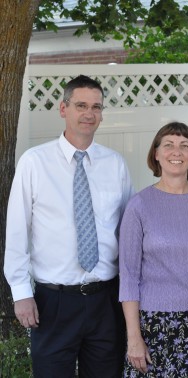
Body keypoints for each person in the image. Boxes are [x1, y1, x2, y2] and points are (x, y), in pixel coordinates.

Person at [3, 75, 134, 377]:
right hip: (54, 301)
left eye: (97, 107)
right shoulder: (34, 162)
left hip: (105, 299)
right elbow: (17, 232)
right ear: (63, 109)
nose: (89, 114)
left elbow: (128, 231)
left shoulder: (115, 164)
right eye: (81, 105)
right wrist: (21, 292)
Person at [119, 122, 188, 377]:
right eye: (168, 145)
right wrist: (134, 337)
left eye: (184, 146)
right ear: (156, 154)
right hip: (155, 326)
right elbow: (129, 275)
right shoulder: (139, 205)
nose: (176, 152)